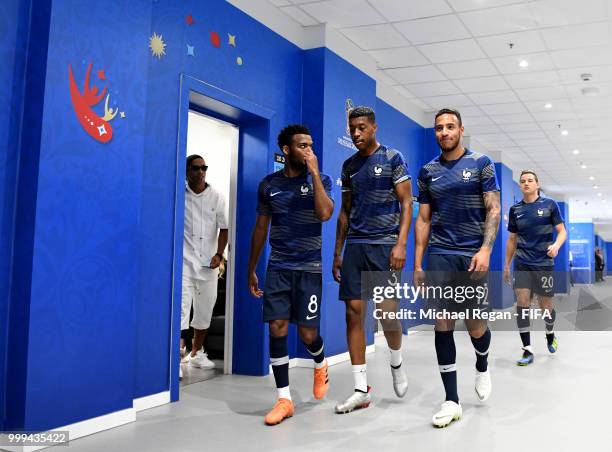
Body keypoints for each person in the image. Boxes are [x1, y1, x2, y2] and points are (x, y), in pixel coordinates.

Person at [414, 108, 501, 428]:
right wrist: (418, 262)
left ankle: (482, 363)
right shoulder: (428, 171)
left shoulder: (481, 164)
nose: (444, 132)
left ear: (461, 129)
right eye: (439, 128)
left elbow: (493, 208)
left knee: (476, 325)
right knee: (443, 322)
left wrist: (486, 249)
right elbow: (423, 219)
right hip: (440, 253)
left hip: (472, 255)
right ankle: (451, 400)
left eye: (450, 126)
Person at [248, 124, 334, 426]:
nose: (309, 150)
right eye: (302, 146)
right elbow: (261, 228)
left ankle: (320, 363)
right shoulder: (269, 184)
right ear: (286, 150)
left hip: (309, 269)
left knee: (308, 334)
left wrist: (313, 174)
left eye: (311, 145)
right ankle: (284, 398)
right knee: (278, 328)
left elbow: (325, 214)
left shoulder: (320, 179)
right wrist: (251, 270)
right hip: (279, 268)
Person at [333, 106, 413, 414]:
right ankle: (359, 389)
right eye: (352, 128)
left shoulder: (393, 158)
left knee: (387, 314)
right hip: (355, 245)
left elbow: (407, 203)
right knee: (353, 314)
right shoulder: (349, 165)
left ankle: (396, 361)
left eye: (362, 127)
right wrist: (338, 252)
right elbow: (344, 211)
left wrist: (401, 244)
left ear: (374, 128)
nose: (356, 133)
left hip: (384, 245)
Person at [504, 170, 567, 366]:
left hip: (544, 264)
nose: (526, 183)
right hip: (522, 262)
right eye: (522, 181)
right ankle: (527, 350)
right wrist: (507, 265)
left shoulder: (549, 205)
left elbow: (562, 231)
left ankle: (549, 332)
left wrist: (556, 245)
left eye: (530, 180)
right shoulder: (515, 210)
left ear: (537, 184)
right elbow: (512, 239)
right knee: (522, 304)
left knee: (545, 306)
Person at [181, 155, 229, 370]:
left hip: (209, 264)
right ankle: (176, 359)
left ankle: (196, 352)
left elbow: (224, 228)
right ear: (187, 171)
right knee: (181, 311)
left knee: (204, 312)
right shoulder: (179, 194)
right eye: (195, 168)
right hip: (183, 263)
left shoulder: (216, 196)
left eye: (204, 168)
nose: (201, 172)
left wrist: (219, 254)